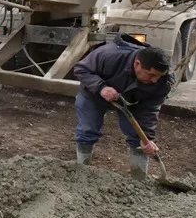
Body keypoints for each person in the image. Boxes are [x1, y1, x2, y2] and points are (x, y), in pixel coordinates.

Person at [71, 35, 172, 179]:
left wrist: (147, 139)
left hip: (133, 100)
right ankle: (82, 171)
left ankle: (139, 179)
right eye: (151, 75)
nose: (155, 80)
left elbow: (150, 109)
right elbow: (81, 69)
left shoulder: (163, 81)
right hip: (94, 94)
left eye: (159, 76)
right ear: (137, 64)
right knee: (88, 129)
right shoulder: (108, 55)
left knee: (139, 139)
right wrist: (101, 88)